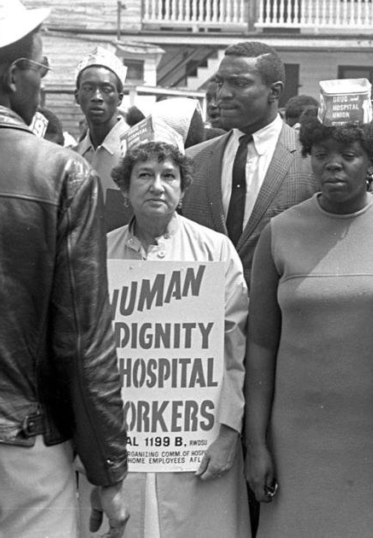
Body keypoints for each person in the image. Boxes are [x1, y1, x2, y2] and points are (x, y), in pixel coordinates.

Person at [243, 116, 373, 536]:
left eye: (348, 155)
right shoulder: (279, 232)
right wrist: (255, 444)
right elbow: (260, 348)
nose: (334, 165)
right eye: (321, 154)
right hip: (296, 441)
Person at [0, 3, 129, 535]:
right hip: (23, 446)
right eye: (41, 70)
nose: (43, 86)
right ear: (13, 76)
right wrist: (107, 470)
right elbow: (83, 339)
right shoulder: (60, 171)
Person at [87, 141, 251, 537]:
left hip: (199, 444)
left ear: (183, 188)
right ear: (124, 188)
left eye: (169, 176)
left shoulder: (215, 251)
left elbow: (235, 347)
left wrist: (229, 431)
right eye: (144, 175)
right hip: (122, 445)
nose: (157, 186)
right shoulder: (97, 254)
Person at [184, 42, 320, 284]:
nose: (222, 94)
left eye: (239, 83)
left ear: (275, 92)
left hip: (277, 315)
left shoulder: (310, 161)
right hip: (206, 313)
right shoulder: (193, 161)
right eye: (220, 82)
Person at [73, 45, 133, 230]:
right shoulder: (75, 155)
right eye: (88, 88)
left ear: (120, 98)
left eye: (106, 89)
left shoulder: (137, 148)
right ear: (77, 96)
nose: (97, 97)